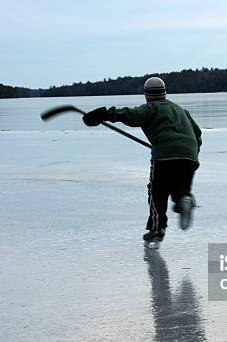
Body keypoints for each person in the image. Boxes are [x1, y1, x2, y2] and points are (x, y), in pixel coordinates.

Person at [82, 77, 202, 247]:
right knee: (180, 189)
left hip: (165, 156)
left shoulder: (151, 108)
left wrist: (104, 114)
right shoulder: (182, 111)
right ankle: (184, 199)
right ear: (165, 92)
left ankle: (156, 230)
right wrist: (190, 153)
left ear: (146, 95)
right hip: (189, 157)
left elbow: (130, 115)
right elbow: (197, 134)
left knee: (157, 192)